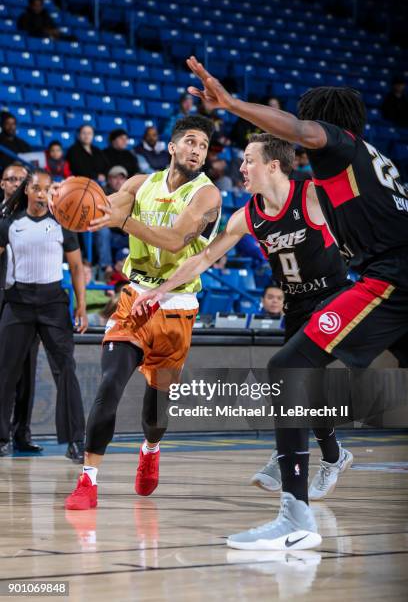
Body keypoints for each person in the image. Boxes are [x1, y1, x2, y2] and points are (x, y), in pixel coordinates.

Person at [184, 57, 408, 549]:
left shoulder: (341, 150)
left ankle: (296, 515)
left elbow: (302, 129)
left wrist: (233, 103)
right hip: (385, 272)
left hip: (392, 276)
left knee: (288, 366)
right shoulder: (368, 161)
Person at [132, 132, 354, 545]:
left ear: (273, 165)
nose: (241, 167)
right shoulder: (249, 214)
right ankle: (329, 454)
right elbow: (202, 257)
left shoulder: (311, 196)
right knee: (302, 384)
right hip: (297, 305)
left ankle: (297, 473)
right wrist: (159, 291)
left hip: (334, 298)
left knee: (294, 380)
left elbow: (361, 215)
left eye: (248, 159)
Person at [59, 115, 221, 509]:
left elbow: (171, 241)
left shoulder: (207, 196)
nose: (197, 150)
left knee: (155, 408)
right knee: (110, 383)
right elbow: (98, 211)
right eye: (191, 142)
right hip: (135, 297)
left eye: (203, 145)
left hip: (178, 305)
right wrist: (67, 204)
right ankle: (88, 480)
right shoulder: (138, 185)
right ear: (172, 147)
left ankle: (150, 449)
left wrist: (125, 221)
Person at [0, 169, 88, 462]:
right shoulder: (9, 223)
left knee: (66, 371)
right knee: (6, 373)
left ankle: (75, 440)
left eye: (47, 189)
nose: (41, 194)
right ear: (26, 190)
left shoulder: (63, 223)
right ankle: (3, 438)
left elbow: (76, 268)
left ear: (53, 193)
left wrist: (81, 306)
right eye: (36, 188)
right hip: (18, 302)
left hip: (53, 303)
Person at [0, 163, 44, 454]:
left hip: (28, 301)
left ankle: (21, 435)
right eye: (11, 179)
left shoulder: (37, 217)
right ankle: (1, 437)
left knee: (27, 370)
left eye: (21, 180)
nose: (16, 183)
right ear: (2, 183)